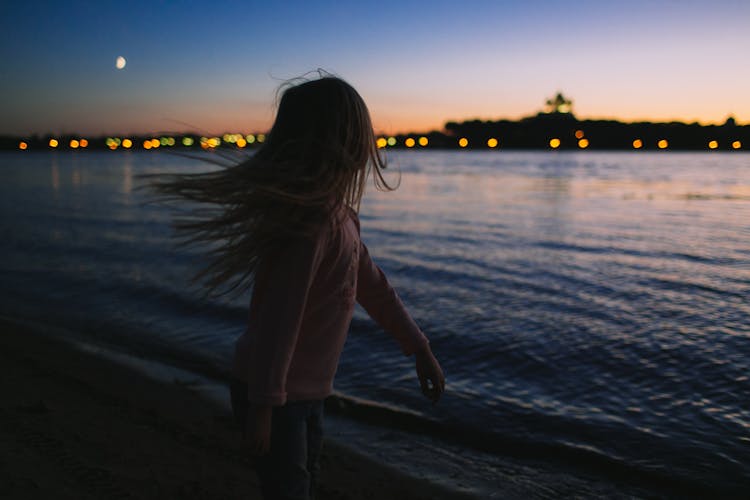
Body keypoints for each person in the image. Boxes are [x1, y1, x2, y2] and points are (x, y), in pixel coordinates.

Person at [149, 74, 445, 500]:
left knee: (301, 480)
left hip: (307, 392)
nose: (369, 145)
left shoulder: (341, 218)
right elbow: (278, 321)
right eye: (362, 134)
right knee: (289, 489)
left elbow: (376, 289)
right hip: (273, 392)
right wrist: (264, 407)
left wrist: (419, 348)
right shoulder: (310, 226)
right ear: (339, 141)